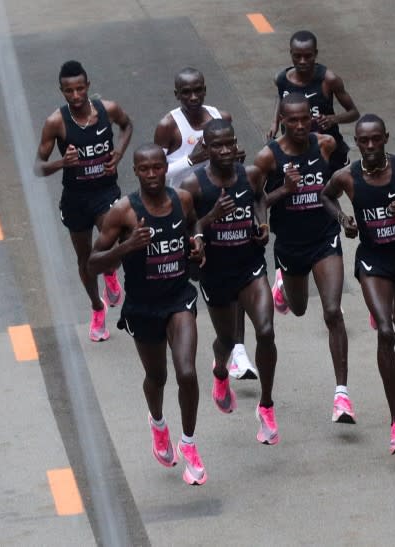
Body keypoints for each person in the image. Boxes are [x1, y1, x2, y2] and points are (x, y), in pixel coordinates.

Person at [88, 144, 207, 484]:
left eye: (158, 167)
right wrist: (127, 247)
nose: (153, 174)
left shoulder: (182, 199)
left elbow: (193, 224)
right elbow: (92, 264)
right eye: (146, 169)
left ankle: (189, 443)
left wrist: (196, 242)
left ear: (164, 170)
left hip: (179, 298)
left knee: (186, 371)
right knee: (157, 377)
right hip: (143, 306)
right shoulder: (123, 213)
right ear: (136, 172)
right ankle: (157, 424)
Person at [321, 114, 395, 454]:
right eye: (363, 141)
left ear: (385, 137)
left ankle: (383, 311)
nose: (369, 146)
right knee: (387, 332)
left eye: (375, 139)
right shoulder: (347, 177)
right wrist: (344, 220)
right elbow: (326, 196)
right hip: (373, 261)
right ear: (356, 142)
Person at [179, 119, 280, 446]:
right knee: (225, 339)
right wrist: (210, 219)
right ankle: (221, 372)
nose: (225, 151)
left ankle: (266, 405)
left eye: (229, 144)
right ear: (206, 149)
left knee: (265, 330)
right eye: (216, 146)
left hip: (250, 265)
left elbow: (260, 199)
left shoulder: (249, 175)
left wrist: (262, 223)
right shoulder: (194, 187)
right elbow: (186, 228)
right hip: (216, 272)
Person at [254, 93, 352, 424]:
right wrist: (285, 191)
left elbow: (336, 183)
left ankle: (342, 395)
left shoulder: (324, 144)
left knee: (332, 311)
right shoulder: (268, 157)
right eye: (292, 120)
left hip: (324, 238)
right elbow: (257, 201)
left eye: (304, 119)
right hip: (290, 245)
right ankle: (282, 285)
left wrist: (344, 216)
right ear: (281, 119)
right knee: (298, 309)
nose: (299, 125)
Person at [154, 67, 256, 380]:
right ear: (176, 95)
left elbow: (231, 157)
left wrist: (235, 158)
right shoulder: (168, 125)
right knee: (195, 273)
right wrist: (190, 161)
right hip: (184, 209)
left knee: (235, 274)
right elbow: (153, 171)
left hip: (219, 202)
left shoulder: (219, 117)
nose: (194, 97)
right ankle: (171, 322)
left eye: (198, 90)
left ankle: (237, 350)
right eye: (186, 92)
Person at [34, 60, 133, 341]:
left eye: (80, 89)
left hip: (105, 193)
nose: (76, 96)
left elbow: (127, 126)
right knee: (85, 258)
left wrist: (120, 153)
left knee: (116, 240)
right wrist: (61, 163)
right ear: (62, 91)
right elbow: (38, 168)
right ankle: (96, 307)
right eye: (69, 91)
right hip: (76, 199)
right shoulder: (56, 123)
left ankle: (111, 272)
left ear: (88, 86)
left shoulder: (107, 110)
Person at [268, 30, 359, 171]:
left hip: (328, 147)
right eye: (297, 56)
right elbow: (281, 96)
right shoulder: (281, 79)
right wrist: (275, 122)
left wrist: (333, 119)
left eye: (307, 56)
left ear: (315, 54)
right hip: (295, 147)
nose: (302, 61)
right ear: (290, 54)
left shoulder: (328, 80)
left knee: (331, 189)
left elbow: (354, 113)